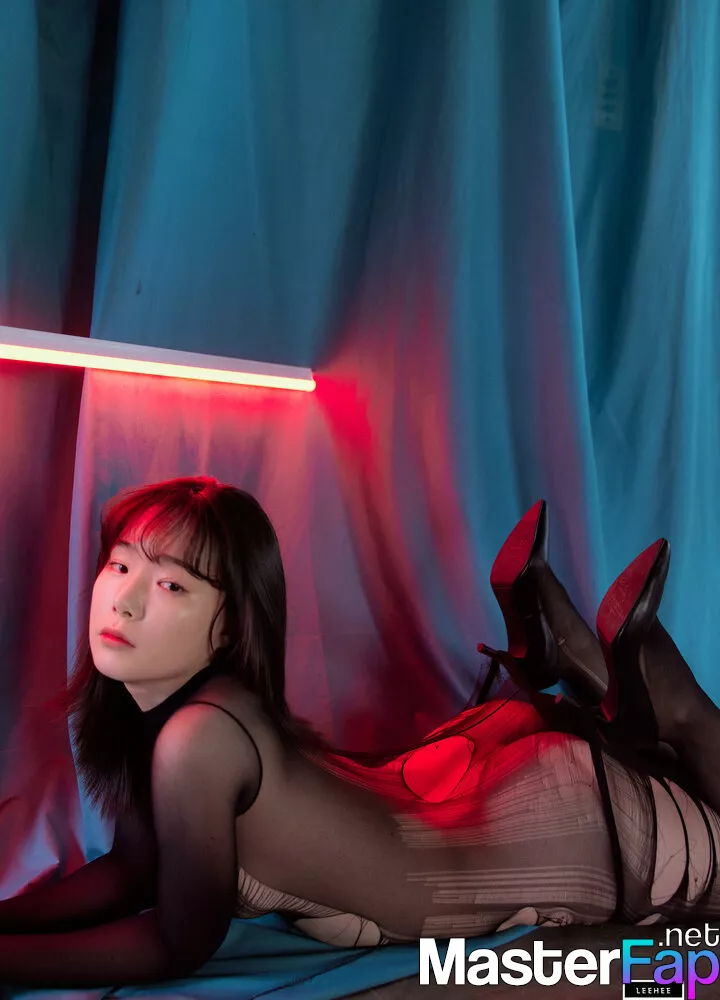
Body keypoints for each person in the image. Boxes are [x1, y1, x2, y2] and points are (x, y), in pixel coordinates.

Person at [0, 476, 716, 988]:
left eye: (170, 585)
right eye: (120, 563)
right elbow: (131, 870)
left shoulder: (200, 739)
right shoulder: (178, 713)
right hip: (498, 791)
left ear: (229, 627)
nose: (122, 601)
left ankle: (674, 708)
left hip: (558, 832)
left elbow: (176, 942)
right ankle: (591, 667)